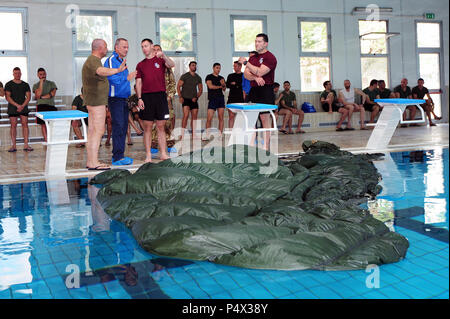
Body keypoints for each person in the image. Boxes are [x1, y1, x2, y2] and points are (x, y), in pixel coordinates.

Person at [82, 38, 127, 170]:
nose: (107, 50)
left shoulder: (92, 60)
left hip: (93, 101)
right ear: (100, 48)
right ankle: (94, 162)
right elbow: (101, 71)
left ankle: (91, 161)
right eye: (106, 47)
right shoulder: (93, 61)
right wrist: (117, 70)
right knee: (98, 131)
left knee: (92, 131)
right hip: (96, 102)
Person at [135, 38, 175, 163]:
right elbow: (138, 82)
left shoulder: (160, 60)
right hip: (146, 97)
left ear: (152, 46)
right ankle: (148, 155)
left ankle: (163, 153)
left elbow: (171, 64)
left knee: (161, 126)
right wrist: (139, 98)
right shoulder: (140, 64)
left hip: (160, 96)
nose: (144, 48)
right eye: (142, 46)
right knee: (147, 127)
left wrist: (163, 55)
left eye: (146, 45)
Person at [238, 33, 277, 150]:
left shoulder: (270, 57)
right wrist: (255, 77)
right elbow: (246, 74)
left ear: (266, 43)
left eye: (259, 41)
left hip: (266, 89)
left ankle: (266, 146)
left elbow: (260, 71)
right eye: (256, 41)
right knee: (251, 118)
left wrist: (246, 63)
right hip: (254, 89)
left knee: (264, 118)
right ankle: (251, 145)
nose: (257, 43)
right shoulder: (253, 58)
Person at [104, 38, 136, 166]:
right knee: (118, 126)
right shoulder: (112, 60)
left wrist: (129, 77)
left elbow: (122, 79)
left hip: (123, 98)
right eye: (124, 47)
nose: (126, 49)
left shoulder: (121, 61)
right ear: (116, 47)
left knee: (123, 127)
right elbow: (112, 78)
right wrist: (127, 77)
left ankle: (120, 155)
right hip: (115, 98)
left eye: (127, 47)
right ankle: (117, 157)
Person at [4, 67, 32, 152]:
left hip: (23, 107)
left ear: (21, 74)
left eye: (19, 73)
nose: (17, 75)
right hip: (13, 107)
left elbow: (28, 97)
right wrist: (17, 105)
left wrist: (22, 106)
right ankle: (14, 146)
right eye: (16, 73)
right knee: (13, 125)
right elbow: (7, 97)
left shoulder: (25, 84)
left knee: (25, 125)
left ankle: (26, 145)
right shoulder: (8, 84)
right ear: (13, 74)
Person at [177, 61, 203, 139]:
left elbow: (200, 90)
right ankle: (182, 134)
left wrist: (196, 97)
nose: (194, 67)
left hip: (194, 100)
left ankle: (194, 134)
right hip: (185, 99)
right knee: (186, 115)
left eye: (195, 65)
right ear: (189, 66)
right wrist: (180, 97)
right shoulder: (184, 76)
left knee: (194, 117)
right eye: (193, 65)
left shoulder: (198, 77)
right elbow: (178, 87)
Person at [32, 68, 58, 142]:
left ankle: (53, 140)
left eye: (44, 74)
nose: (43, 76)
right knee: (43, 124)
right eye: (41, 74)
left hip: (51, 105)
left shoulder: (51, 83)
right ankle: (47, 141)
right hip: (41, 106)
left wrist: (41, 97)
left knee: (52, 124)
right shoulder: (35, 85)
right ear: (38, 75)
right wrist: (41, 83)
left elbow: (52, 94)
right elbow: (38, 95)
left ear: (46, 74)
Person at [204, 62, 226, 140]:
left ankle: (220, 135)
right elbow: (210, 86)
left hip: (220, 98)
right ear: (213, 68)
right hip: (212, 99)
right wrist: (220, 86)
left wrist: (223, 85)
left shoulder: (221, 78)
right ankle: (207, 135)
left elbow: (224, 89)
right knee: (209, 118)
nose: (218, 69)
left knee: (221, 118)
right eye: (217, 68)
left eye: (219, 68)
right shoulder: (209, 77)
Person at [226, 61, 245, 128]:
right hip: (231, 98)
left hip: (241, 98)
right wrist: (236, 84)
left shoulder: (244, 75)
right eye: (233, 66)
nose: (234, 67)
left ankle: (240, 132)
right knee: (231, 116)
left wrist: (236, 84)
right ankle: (231, 133)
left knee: (241, 117)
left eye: (235, 66)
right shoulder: (230, 75)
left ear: (240, 67)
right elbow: (227, 85)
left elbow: (243, 85)